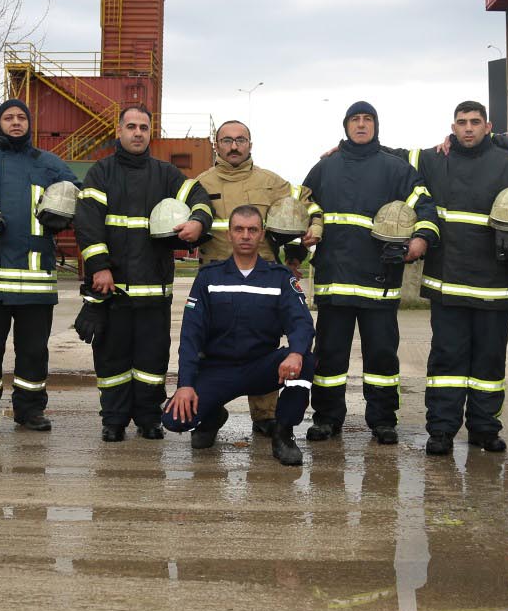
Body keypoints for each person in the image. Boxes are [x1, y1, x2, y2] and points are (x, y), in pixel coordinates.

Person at [405, 101, 508, 455]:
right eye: (462, 123)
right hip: (448, 286)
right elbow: (392, 158)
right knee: (446, 362)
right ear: (452, 127)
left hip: (496, 287)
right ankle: (441, 430)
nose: (468, 128)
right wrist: (345, 148)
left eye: (475, 122)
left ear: (488, 127)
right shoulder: (434, 160)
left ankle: (485, 429)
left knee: (489, 363)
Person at [299, 101, 438, 445]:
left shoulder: (396, 168)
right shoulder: (325, 168)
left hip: (380, 283)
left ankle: (383, 420)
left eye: (368, 120)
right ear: (345, 126)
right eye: (355, 120)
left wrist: (421, 238)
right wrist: (307, 231)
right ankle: (327, 418)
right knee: (329, 358)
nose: (361, 125)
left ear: (376, 125)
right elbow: (303, 203)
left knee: (381, 357)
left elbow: (425, 206)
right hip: (335, 281)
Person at [74, 104, 214, 441]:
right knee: (112, 362)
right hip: (113, 292)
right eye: (131, 126)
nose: (138, 133)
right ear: (119, 131)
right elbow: (88, 225)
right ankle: (114, 420)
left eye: (144, 127)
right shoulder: (100, 173)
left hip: (154, 294)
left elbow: (198, 196)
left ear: (150, 133)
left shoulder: (165, 174)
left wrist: (198, 221)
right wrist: (100, 267)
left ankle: (149, 418)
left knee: (152, 363)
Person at [195, 118, 320, 438]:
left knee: (262, 344)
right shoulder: (200, 184)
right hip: (215, 280)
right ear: (216, 145)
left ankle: (265, 415)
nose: (234, 146)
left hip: (262, 280)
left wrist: (315, 226)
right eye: (226, 140)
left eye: (240, 140)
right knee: (209, 347)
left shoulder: (271, 182)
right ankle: (208, 414)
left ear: (251, 144)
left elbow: (307, 203)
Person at [162, 205, 316, 466]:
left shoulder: (279, 279)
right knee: (174, 420)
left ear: (261, 234)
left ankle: (284, 434)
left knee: (305, 362)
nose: (245, 235)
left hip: (262, 367)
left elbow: (301, 322)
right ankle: (211, 417)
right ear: (230, 234)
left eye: (252, 230)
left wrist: (295, 352)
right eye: (239, 229)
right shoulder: (209, 278)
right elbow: (191, 334)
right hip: (219, 369)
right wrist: (185, 384)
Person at [0, 98, 79, 433]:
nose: (15, 123)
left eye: (21, 118)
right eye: (8, 117)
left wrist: (62, 216)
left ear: (29, 124)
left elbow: (76, 194)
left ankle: (29, 412)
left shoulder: (50, 164)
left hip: (35, 281)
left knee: (32, 352)